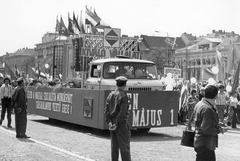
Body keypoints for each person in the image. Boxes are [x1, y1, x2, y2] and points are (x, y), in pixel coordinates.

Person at [193, 85, 227, 161]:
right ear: (216, 96)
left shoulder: (200, 104)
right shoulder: (207, 108)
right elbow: (207, 129)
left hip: (199, 142)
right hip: (206, 143)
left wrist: (217, 124)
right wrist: (220, 130)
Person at [104, 76, 131, 161]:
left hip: (112, 123)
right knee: (125, 148)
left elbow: (106, 111)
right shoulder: (123, 96)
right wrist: (116, 123)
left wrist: (110, 123)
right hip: (121, 124)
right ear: (125, 85)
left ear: (116, 84)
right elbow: (122, 113)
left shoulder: (110, 95)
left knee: (114, 148)